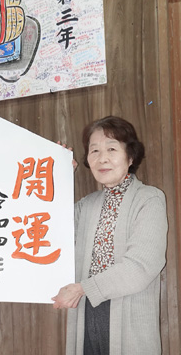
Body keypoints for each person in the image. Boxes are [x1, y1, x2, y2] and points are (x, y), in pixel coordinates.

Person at [52, 116, 167, 354]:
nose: (102, 158)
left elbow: (142, 266)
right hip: (85, 313)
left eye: (112, 149)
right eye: (94, 151)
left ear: (130, 157)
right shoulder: (86, 205)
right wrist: (59, 176)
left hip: (128, 317)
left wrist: (83, 288)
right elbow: (50, 234)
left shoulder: (149, 198)